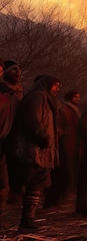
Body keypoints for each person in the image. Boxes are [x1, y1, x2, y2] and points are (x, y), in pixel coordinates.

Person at [12, 75, 61, 232]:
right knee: (34, 185)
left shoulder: (46, 99)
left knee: (37, 186)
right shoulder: (37, 96)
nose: (57, 89)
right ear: (47, 85)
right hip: (32, 150)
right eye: (55, 85)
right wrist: (43, 137)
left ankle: (29, 220)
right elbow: (32, 119)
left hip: (40, 151)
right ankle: (26, 222)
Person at [44, 90, 81, 208]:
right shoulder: (64, 110)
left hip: (72, 145)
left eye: (79, 97)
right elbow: (59, 126)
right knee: (61, 173)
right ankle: (51, 201)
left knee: (68, 174)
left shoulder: (75, 110)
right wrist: (63, 133)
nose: (78, 99)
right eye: (75, 97)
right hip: (63, 145)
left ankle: (58, 199)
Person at [0, 60, 23, 227]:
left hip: (7, 141)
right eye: (13, 70)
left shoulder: (16, 93)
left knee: (3, 184)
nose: (17, 73)